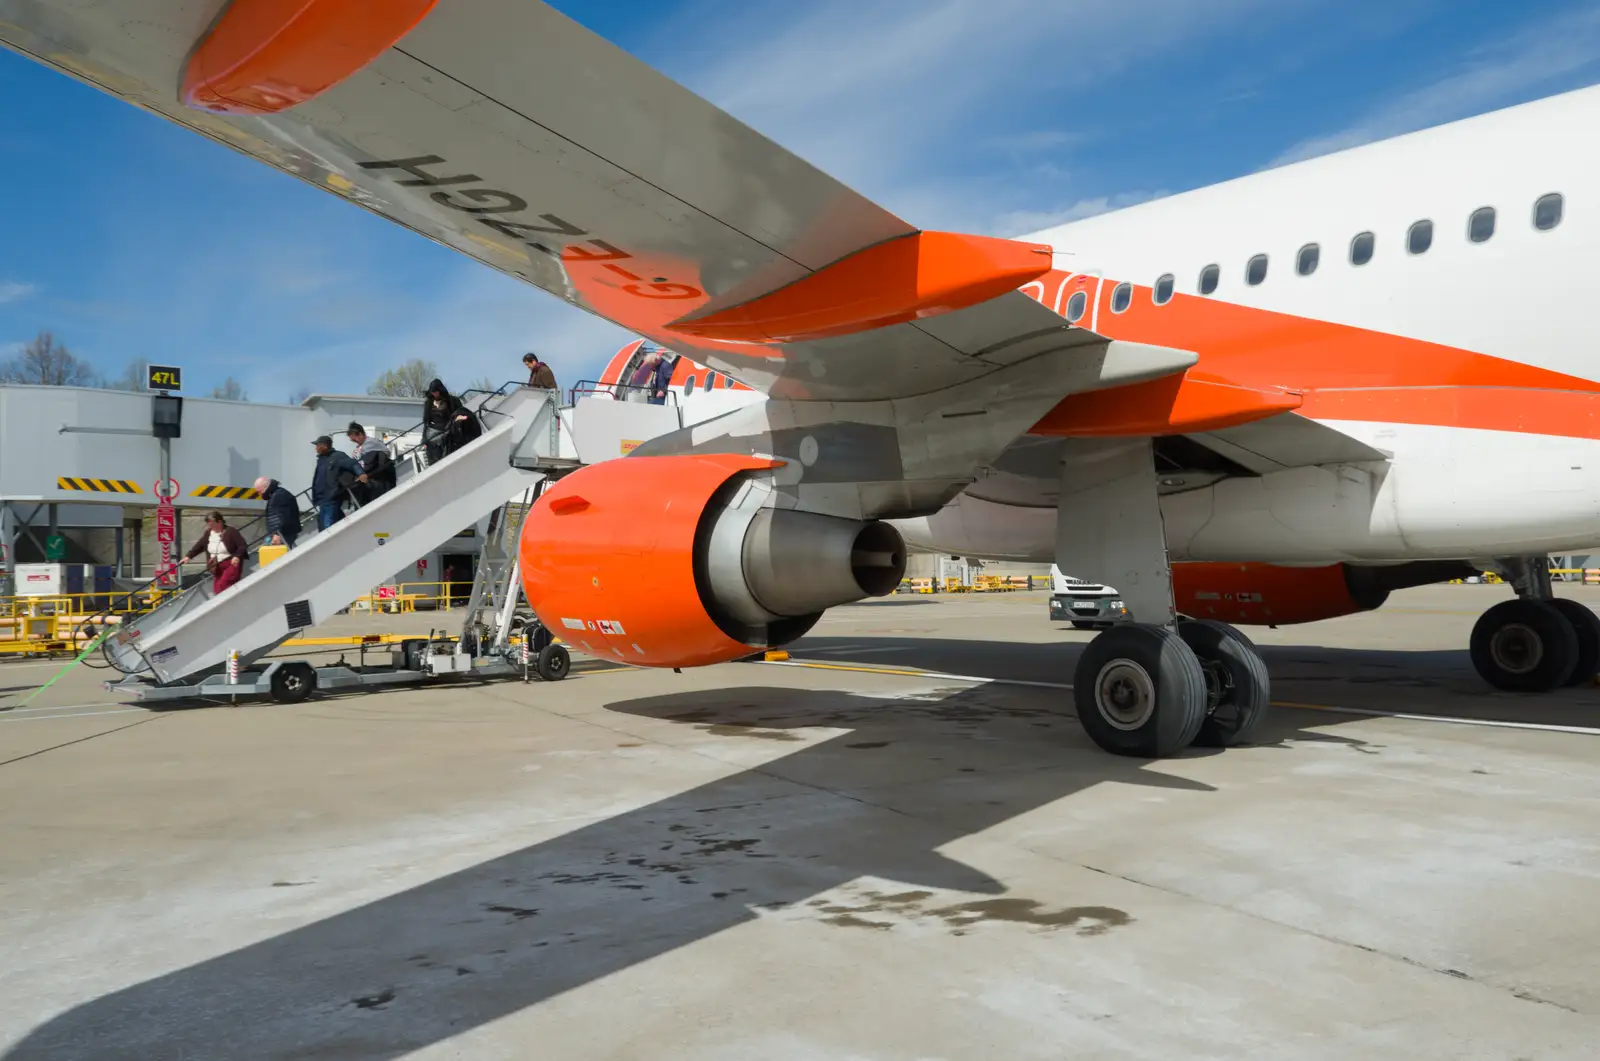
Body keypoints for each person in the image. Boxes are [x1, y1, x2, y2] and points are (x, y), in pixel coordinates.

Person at [182, 510, 247, 595]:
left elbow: (242, 545)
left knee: (222, 586)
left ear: (219, 522)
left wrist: (237, 556)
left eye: (212, 524)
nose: (211, 526)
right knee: (217, 590)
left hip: (230, 564)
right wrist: (188, 556)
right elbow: (200, 545)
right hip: (216, 566)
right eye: (209, 524)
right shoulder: (209, 533)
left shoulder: (231, 531)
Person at [310, 434, 363, 530]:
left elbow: (352, 464)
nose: (316, 448)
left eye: (318, 445)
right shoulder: (321, 460)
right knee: (323, 527)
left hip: (331, 497)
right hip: (321, 499)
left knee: (328, 527)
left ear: (325, 446)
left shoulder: (338, 456)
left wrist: (361, 473)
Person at [422, 378, 481, 462]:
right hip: (435, 433)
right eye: (432, 392)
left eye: (436, 391)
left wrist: (458, 418)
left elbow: (460, 412)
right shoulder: (428, 404)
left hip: (450, 429)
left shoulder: (453, 400)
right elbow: (426, 422)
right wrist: (424, 439)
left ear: (440, 390)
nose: (434, 394)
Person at [346, 422, 395, 503]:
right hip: (365, 481)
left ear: (360, 434)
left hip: (376, 481)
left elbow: (376, 463)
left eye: (355, 439)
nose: (354, 441)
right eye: (352, 440)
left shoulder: (372, 444)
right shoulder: (360, 447)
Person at [253, 476, 301, 549]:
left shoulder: (278, 496)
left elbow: (281, 517)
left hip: (283, 534)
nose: (260, 495)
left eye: (259, 492)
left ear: (265, 487)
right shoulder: (277, 494)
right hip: (282, 533)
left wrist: (276, 534)